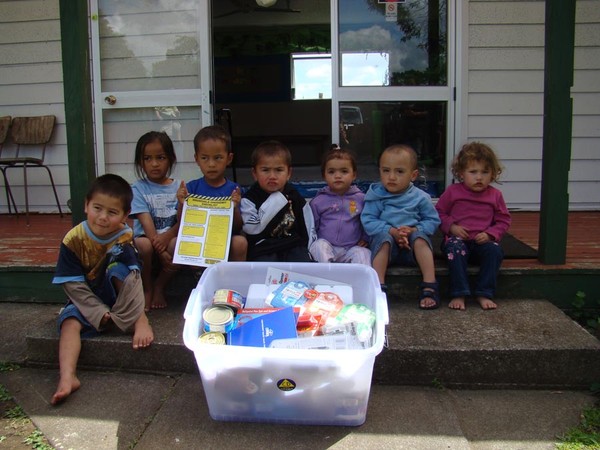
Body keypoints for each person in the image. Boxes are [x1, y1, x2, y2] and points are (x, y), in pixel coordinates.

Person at [51, 174, 153, 405]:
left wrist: (138, 314)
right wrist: (97, 311)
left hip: (116, 290)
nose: (103, 217)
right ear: (86, 205)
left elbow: (133, 278)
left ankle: (140, 319)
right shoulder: (73, 239)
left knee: (120, 268)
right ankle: (68, 377)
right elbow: (73, 285)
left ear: (125, 216)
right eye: (97, 208)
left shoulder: (124, 236)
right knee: (69, 324)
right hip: (86, 296)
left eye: (112, 212)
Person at [361, 144, 441, 309]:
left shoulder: (420, 197)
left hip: (412, 248)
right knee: (383, 239)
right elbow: (368, 220)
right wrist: (391, 231)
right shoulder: (376, 196)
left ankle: (429, 283)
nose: (391, 177)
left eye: (399, 171)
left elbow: (432, 220)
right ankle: (379, 287)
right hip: (388, 250)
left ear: (413, 175)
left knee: (420, 239)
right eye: (386, 170)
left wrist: (413, 230)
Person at [435, 142, 511, 310]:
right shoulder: (453, 192)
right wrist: (452, 227)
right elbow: (439, 213)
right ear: (461, 173)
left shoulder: (495, 195)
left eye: (485, 172)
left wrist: (491, 234)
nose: (479, 177)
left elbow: (504, 220)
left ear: (493, 174)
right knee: (455, 249)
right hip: (456, 240)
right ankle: (459, 293)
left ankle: (484, 292)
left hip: (481, 242)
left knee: (495, 251)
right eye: (473, 172)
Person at [177, 125, 247, 261]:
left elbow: (238, 227)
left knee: (240, 242)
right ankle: (197, 275)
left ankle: (234, 277)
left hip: (223, 238)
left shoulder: (234, 189)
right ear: (196, 159)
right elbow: (182, 225)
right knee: (174, 244)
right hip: (198, 238)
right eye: (204, 158)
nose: (211, 164)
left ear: (229, 158)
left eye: (218, 158)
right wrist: (181, 204)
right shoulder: (191, 188)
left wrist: (235, 207)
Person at [240, 140, 316, 262]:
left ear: (288, 173)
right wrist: (277, 200)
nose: (272, 176)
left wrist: (308, 248)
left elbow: (307, 224)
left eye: (279, 170)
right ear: (254, 173)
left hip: (292, 245)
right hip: (264, 249)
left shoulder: (294, 195)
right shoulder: (250, 199)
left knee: (304, 267)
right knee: (263, 270)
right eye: (265, 170)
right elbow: (251, 228)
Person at [130, 131, 180, 311]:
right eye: (147, 159)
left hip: (170, 237)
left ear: (171, 159)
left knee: (180, 245)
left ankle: (160, 285)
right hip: (148, 239)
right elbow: (146, 222)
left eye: (160, 157)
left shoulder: (180, 187)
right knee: (144, 245)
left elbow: (183, 219)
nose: (154, 164)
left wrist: (168, 236)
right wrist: (161, 251)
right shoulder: (138, 188)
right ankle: (147, 286)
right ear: (140, 162)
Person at [309, 146, 370, 265]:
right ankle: (326, 279)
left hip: (351, 248)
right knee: (318, 246)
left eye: (344, 171)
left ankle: (358, 282)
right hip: (328, 247)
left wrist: (365, 238)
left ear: (354, 175)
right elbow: (312, 227)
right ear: (324, 175)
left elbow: (367, 221)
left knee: (363, 253)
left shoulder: (361, 199)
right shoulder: (318, 201)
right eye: (331, 172)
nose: (338, 176)